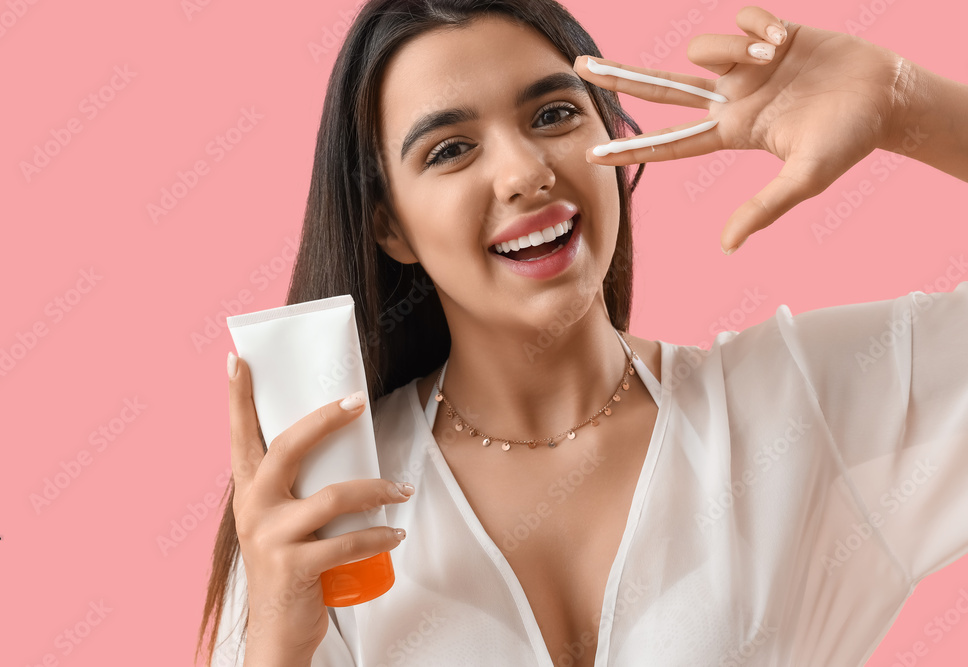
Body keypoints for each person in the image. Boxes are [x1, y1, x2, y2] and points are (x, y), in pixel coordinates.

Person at [197, 1, 968, 665]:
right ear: (388, 223)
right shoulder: (327, 510)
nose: (526, 171)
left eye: (554, 113)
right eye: (451, 148)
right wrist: (275, 643)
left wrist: (909, 106)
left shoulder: (793, 407)